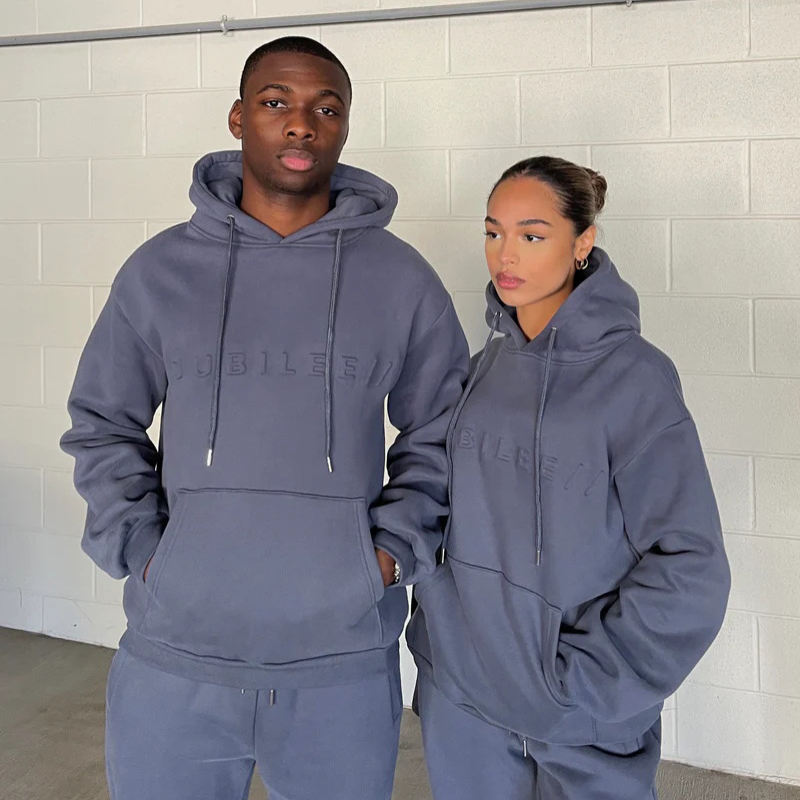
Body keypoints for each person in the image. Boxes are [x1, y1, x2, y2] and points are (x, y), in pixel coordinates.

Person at [61, 36, 468, 800]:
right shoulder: (160, 272)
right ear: (238, 118)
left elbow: (444, 434)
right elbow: (102, 422)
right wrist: (146, 551)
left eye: (326, 108)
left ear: (344, 127)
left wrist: (385, 556)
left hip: (339, 667)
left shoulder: (402, 281)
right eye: (277, 102)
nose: (301, 123)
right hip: (176, 656)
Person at [407, 156, 730, 800]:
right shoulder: (481, 371)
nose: (505, 255)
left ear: (583, 243)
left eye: (532, 235)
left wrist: (586, 683)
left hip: (578, 722)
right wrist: (442, 646)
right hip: (465, 707)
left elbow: (691, 564)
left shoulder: (636, 379)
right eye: (493, 232)